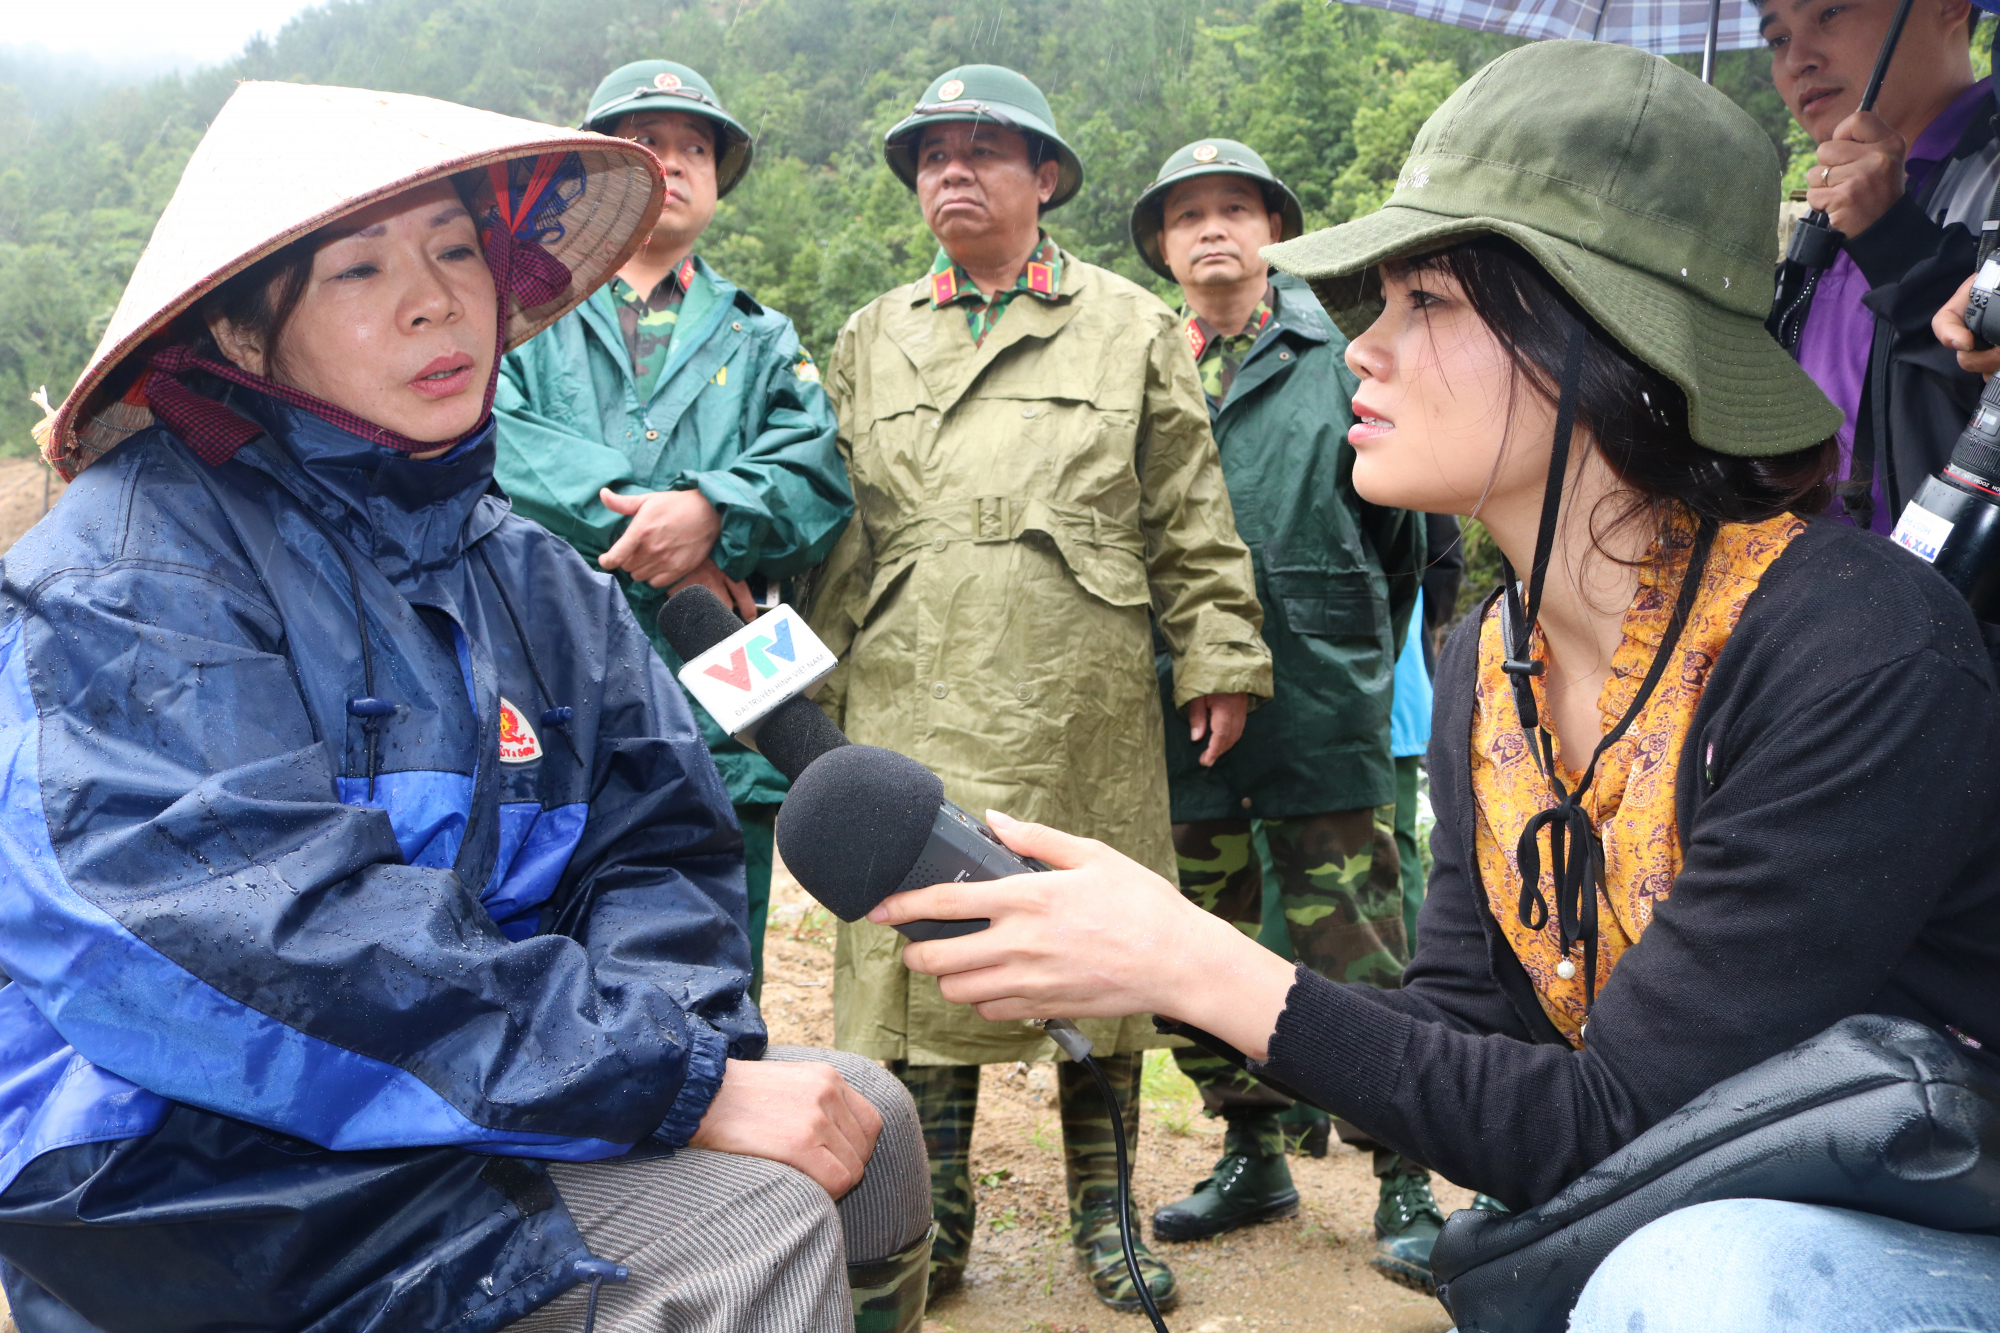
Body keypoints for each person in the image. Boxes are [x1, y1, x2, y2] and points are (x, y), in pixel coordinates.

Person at [868, 41, 2000, 1331]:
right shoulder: (1486, 657)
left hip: (1917, 1229)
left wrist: (1189, 961)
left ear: (1591, 336)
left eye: (1426, 303)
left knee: (1702, 1286)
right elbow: (1468, 1033)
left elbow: (1602, 1121)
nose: (1364, 349)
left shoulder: (1852, 651)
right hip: (1715, 1207)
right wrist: (1135, 957)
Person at [0, 83, 929, 1333]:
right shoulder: (133, 574)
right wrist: (662, 1085)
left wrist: (670, 1060)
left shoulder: (535, 575)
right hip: (194, 1166)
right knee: (742, 1232)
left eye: (453, 249)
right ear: (240, 334)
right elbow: (225, 945)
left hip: (460, 1089)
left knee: (874, 1130)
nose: (433, 297)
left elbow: (655, 849)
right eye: (357, 268)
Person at [809, 65, 1272, 1312]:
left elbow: (1186, 503)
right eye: (928, 157)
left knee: (1095, 936)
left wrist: (1221, 650)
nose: (948, 171)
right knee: (920, 940)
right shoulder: (869, 332)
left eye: (981, 150)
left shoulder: (1127, 322)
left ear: (1045, 177)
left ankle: (1106, 1210)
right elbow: (836, 526)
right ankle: (938, 1210)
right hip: (908, 672)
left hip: (1081, 684)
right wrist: (810, 686)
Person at [1125, 138, 1441, 1288]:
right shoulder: (1138, 359)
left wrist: (1346, 641)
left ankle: (1403, 1168)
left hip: (1321, 700)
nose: (1212, 230)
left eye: (1235, 210)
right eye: (1187, 214)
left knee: (1357, 945)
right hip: (1173, 705)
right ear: (1161, 246)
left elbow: (1404, 545)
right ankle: (1251, 1145)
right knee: (1193, 938)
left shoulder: (1339, 352)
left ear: (1274, 233)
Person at [495, 59, 850, 1002]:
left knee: (720, 955)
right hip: (549, 665)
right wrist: (648, 513)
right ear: (595, 177)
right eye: (646, 144)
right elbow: (492, 442)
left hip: (726, 676)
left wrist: (717, 513)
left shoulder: (762, 336)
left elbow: (820, 474)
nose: (675, 162)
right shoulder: (523, 320)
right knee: (547, 942)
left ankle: (718, 1131)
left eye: (695, 146)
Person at [1762, 0, 1995, 533]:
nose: (1798, 58)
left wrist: (1892, 236)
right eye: (1777, 39)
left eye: (1830, 12)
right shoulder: (1822, 214)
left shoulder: (1990, 181)